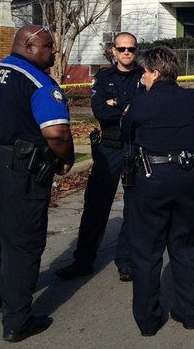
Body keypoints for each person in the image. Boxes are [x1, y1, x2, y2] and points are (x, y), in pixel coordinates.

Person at [0, 25, 74, 343]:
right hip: (17, 166)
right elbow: (57, 133)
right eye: (48, 46)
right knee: (24, 242)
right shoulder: (39, 82)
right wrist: (65, 160)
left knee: (0, 233)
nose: (54, 51)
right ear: (28, 46)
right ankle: (17, 320)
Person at [121, 47, 194, 335]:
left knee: (147, 250)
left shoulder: (141, 102)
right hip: (190, 176)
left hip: (152, 177)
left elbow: (127, 131)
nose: (142, 78)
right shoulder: (193, 98)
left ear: (155, 73)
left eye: (145, 72)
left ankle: (148, 320)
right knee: (186, 245)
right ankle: (189, 311)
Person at [56, 32, 143, 282]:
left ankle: (125, 260)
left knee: (134, 206)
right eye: (122, 49)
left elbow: (145, 111)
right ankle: (83, 261)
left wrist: (118, 105)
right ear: (113, 51)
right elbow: (100, 111)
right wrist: (126, 109)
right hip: (110, 149)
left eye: (131, 49)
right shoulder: (103, 77)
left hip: (136, 147)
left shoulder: (144, 76)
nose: (127, 53)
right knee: (96, 205)